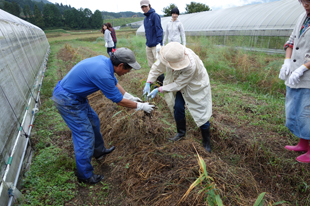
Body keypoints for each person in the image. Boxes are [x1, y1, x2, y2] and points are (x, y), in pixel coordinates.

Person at [52, 48, 155, 184]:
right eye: (128, 69)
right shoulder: (102, 73)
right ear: (120, 66)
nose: (128, 72)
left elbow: (115, 83)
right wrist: (141, 106)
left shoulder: (105, 62)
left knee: (94, 120)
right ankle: (85, 176)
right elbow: (119, 101)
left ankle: (99, 151)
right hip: (67, 99)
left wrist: (129, 96)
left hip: (77, 96)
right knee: (84, 134)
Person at [143, 42, 212, 152]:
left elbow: (178, 84)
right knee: (178, 107)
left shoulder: (191, 65)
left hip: (195, 85)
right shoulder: (167, 54)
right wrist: (149, 82)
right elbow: (157, 66)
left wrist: (159, 89)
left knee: (201, 111)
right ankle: (181, 133)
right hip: (179, 83)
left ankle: (206, 142)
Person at [280, 0, 310, 163]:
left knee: (307, 111)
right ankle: (303, 143)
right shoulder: (303, 17)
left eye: (308, 1)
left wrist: (303, 68)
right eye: (302, 1)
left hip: (307, 76)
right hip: (295, 74)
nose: (305, 4)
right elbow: (291, 41)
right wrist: (287, 61)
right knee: (297, 109)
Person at [140, 0, 163, 69]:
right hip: (148, 45)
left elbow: (159, 29)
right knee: (151, 65)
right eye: (142, 7)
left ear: (149, 6)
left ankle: (161, 79)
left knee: (158, 64)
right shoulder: (145, 19)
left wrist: (159, 43)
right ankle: (154, 79)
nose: (144, 8)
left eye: (145, 6)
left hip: (155, 45)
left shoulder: (155, 16)